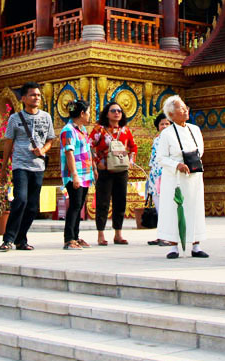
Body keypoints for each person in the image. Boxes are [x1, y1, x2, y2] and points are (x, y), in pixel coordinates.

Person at [0, 82, 55, 252]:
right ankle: (8, 238)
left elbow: (50, 140)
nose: (36, 98)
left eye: (38, 95)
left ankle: (21, 239)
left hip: (38, 166)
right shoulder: (15, 119)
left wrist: (42, 150)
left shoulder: (46, 117)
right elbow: (8, 143)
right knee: (20, 200)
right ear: (23, 99)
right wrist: (3, 168)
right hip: (20, 165)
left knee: (32, 206)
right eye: (32, 95)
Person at [154, 96, 208, 258]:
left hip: (193, 174)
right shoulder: (167, 134)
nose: (185, 111)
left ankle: (196, 244)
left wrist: (192, 163)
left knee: (195, 207)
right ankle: (173, 246)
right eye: (181, 108)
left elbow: (201, 150)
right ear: (171, 113)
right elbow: (161, 158)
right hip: (175, 177)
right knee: (175, 208)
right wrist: (177, 165)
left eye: (186, 107)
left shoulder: (194, 130)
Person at [90, 101, 137, 245]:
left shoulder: (125, 130)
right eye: (113, 110)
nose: (117, 113)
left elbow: (133, 146)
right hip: (105, 169)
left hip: (121, 169)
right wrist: (98, 162)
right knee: (103, 201)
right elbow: (90, 144)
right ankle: (101, 234)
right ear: (107, 113)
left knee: (120, 201)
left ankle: (118, 233)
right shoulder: (100, 130)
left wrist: (130, 161)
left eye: (119, 111)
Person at [60, 99, 94, 250]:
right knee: (74, 205)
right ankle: (69, 238)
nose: (89, 116)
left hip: (85, 174)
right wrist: (74, 175)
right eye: (88, 112)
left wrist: (93, 170)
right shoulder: (68, 130)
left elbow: (87, 150)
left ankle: (76, 235)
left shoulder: (82, 130)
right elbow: (69, 152)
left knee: (79, 205)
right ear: (81, 113)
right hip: (75, 174)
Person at [146, 114, 176, 247]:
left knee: (167, 207)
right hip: (155, 177)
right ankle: (161, 235)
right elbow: (153, 160)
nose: (164, 126)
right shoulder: (156, 140)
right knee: (159, 207)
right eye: (162, 124)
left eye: (167, 124)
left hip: (167, 176)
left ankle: (169, 237)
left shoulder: (173, 140)